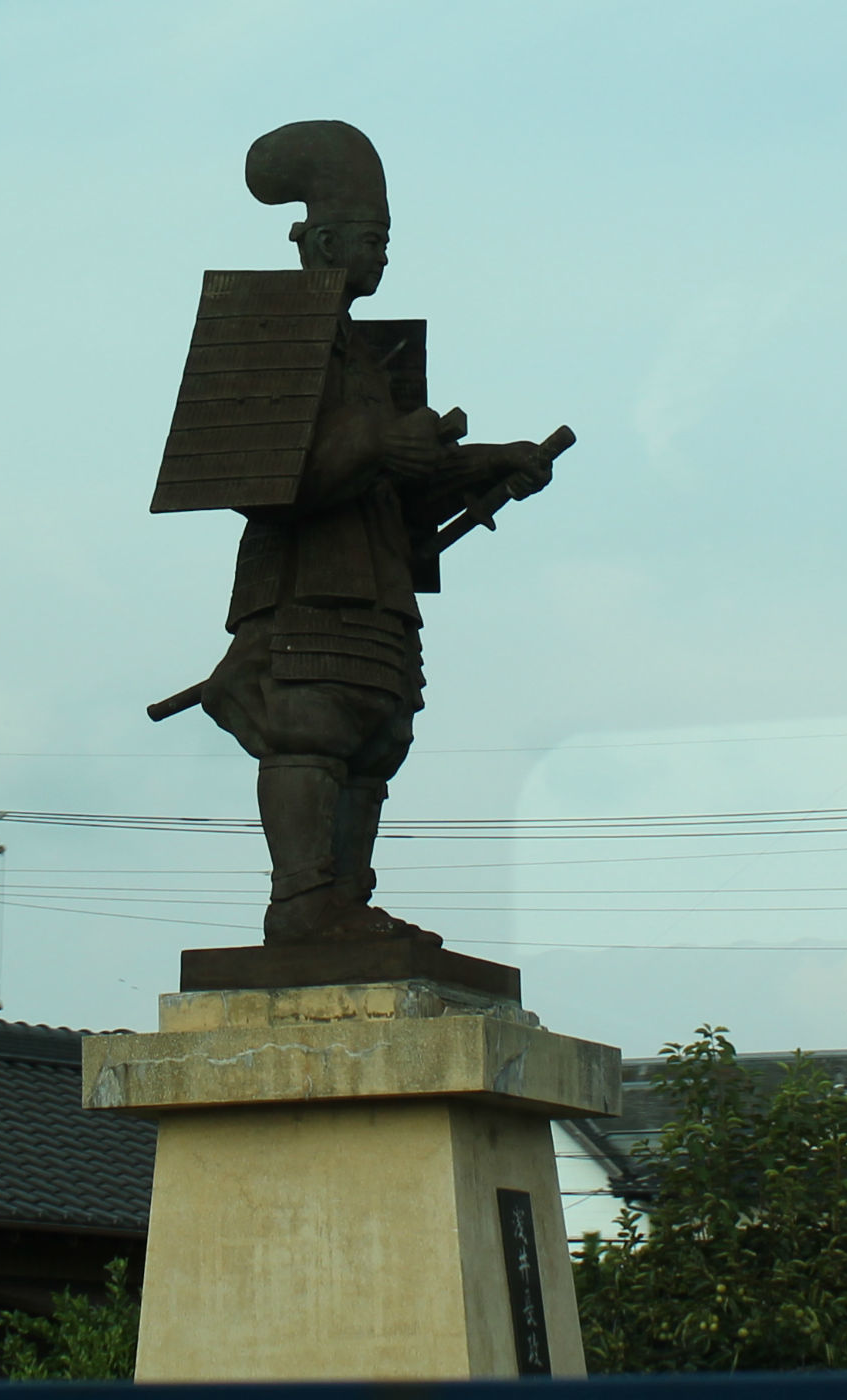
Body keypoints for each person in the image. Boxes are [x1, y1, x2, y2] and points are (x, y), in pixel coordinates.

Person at [169, 121, 553, 946]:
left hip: (373, 576)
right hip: (302, 581)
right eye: (374, 240)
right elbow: (265, 481)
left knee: (379, 732)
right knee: (312, 724)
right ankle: (304, 901)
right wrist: (383, 443)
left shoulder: (367, 360)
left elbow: (400, 473)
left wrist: (490, 463)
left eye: (387, 240)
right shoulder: (273, 330)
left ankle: (345, 898)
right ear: (328, 240)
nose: (383, 255)